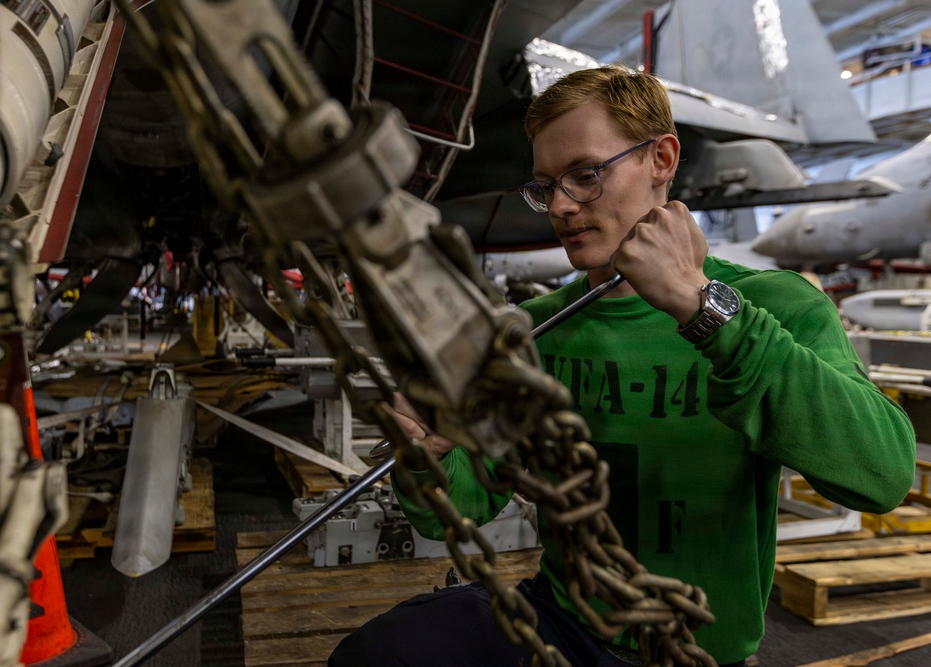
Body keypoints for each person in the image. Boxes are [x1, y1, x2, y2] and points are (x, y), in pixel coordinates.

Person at [328, 65, 917, 666]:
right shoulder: (539, 329)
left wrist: (704, 310)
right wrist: (426, 454)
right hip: (560, 619)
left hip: (697, 650)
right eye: (545, 185)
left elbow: (883, 476)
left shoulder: (777, 306)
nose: (559, 206)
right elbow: (466, 504)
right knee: (377, 655)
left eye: (585, 175)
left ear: (661, 159)